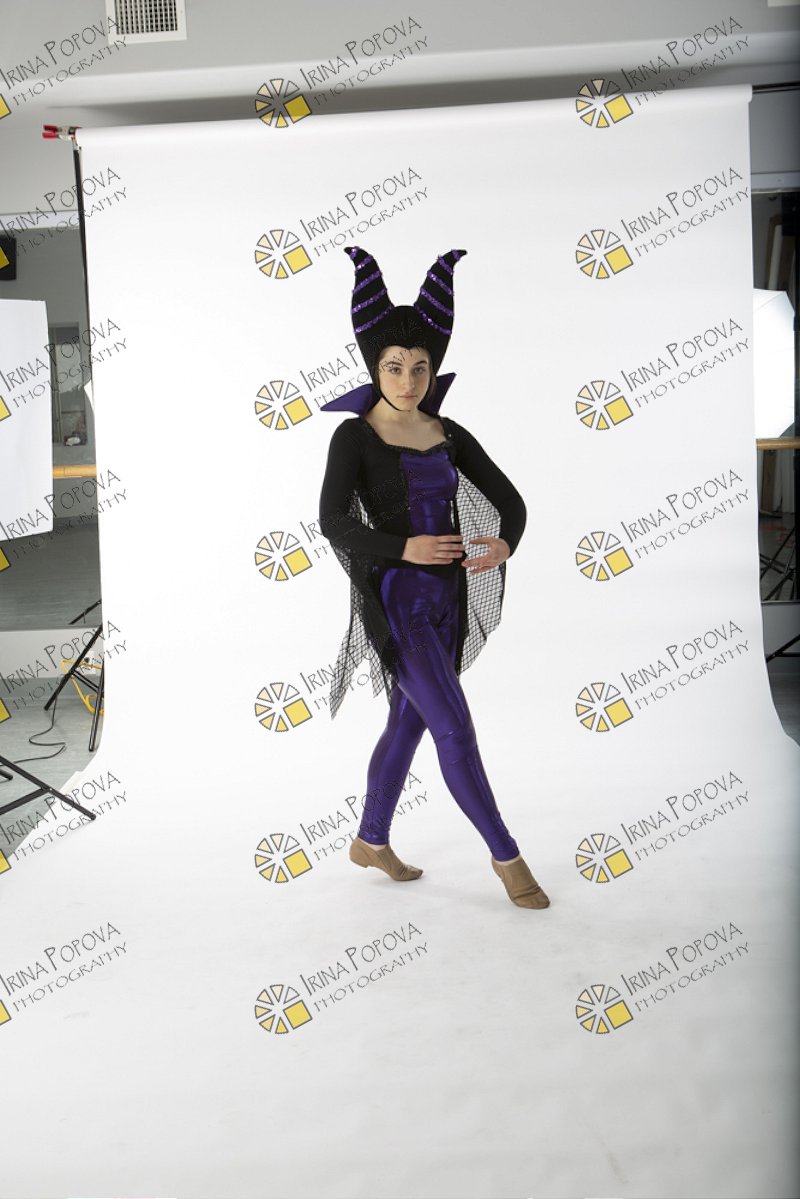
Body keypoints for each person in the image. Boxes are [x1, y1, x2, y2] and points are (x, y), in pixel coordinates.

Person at [318, 245, 549, 910]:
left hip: (449, 599)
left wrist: (505, 543)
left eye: (420, 367)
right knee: (454, 726)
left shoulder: (447, 431)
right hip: (399, 604)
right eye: (395, 366)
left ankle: (370, 839)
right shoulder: (354, 438)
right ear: (375, 365)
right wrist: (406, 547)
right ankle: (508, 859)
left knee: (408, 722)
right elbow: (333, 522)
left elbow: (512, 501)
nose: (408, 379)